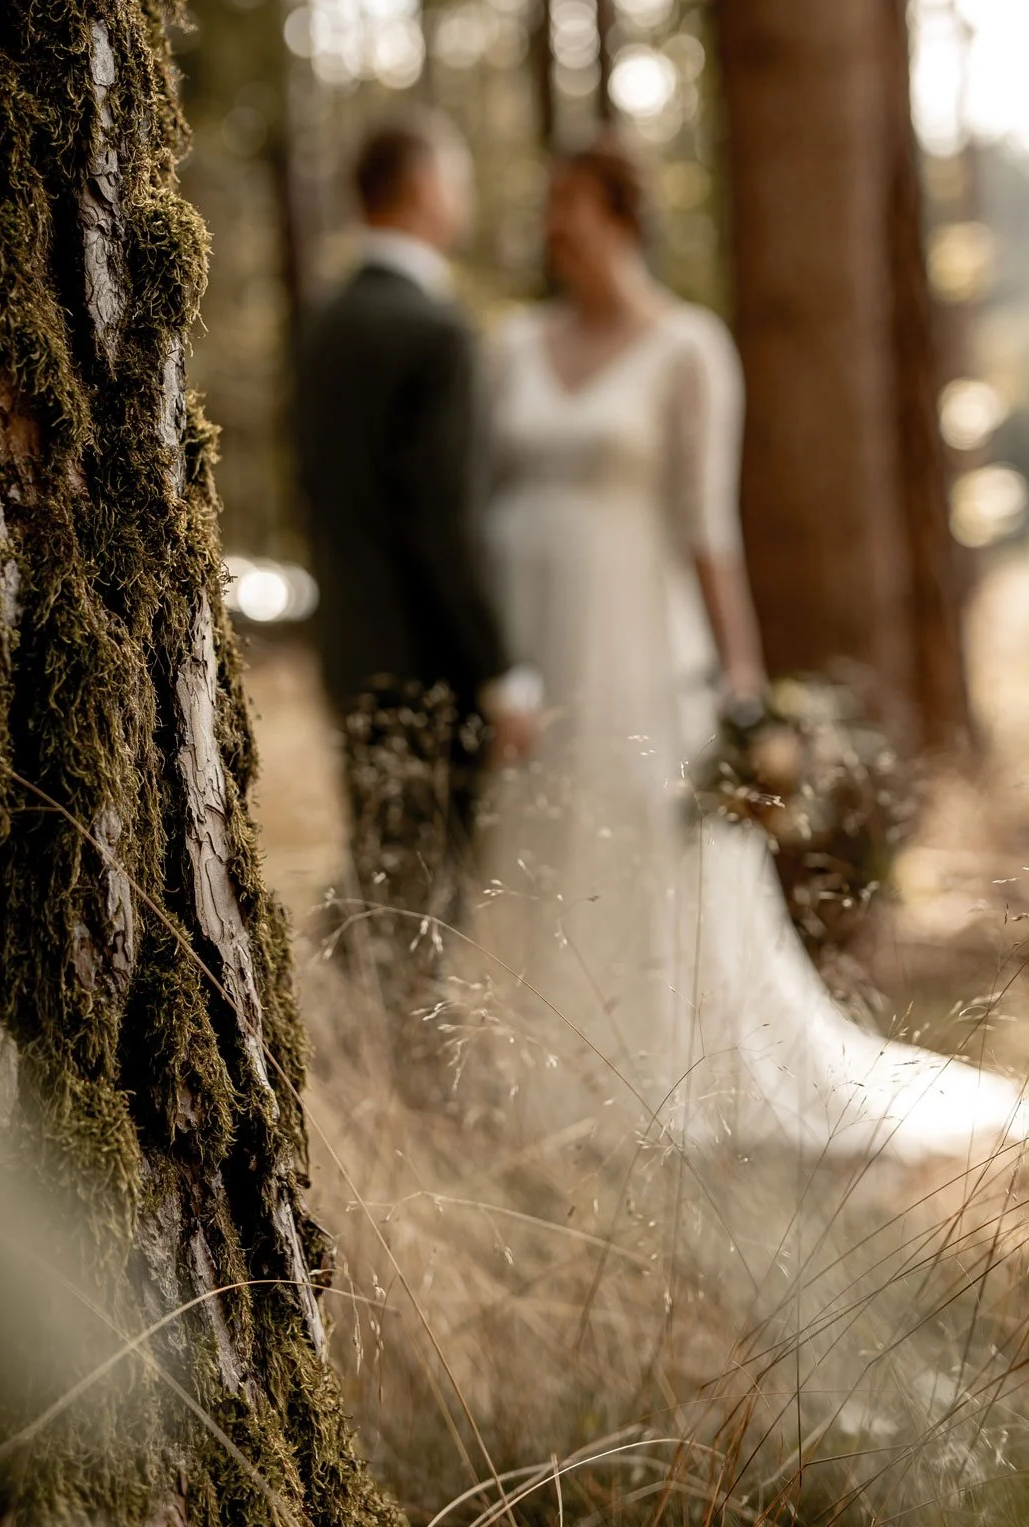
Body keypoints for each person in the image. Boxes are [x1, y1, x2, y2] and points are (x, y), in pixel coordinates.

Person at [478, 132, 1027, 1163]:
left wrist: (743, 689)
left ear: (621, 214)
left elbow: (707, 527)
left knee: (647, 847)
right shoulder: (511, 347)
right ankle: (542, 1082)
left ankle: (661, 1075)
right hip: (536, 650)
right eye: (548, 205)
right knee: (544, 843)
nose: (554, 225)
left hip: (641, 647)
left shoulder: (687, 347)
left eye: (572, 205)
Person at [295, 112, 538, 1037]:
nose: (462, 200)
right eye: (458, 180)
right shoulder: (436, 331)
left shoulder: (324, 322)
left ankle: (337, 1032)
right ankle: (383, 1056)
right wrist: (499, 667)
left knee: (379, 853)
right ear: (423, 189)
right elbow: (445, 525)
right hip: (431, 656)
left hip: (349, 646)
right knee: (426, 875)